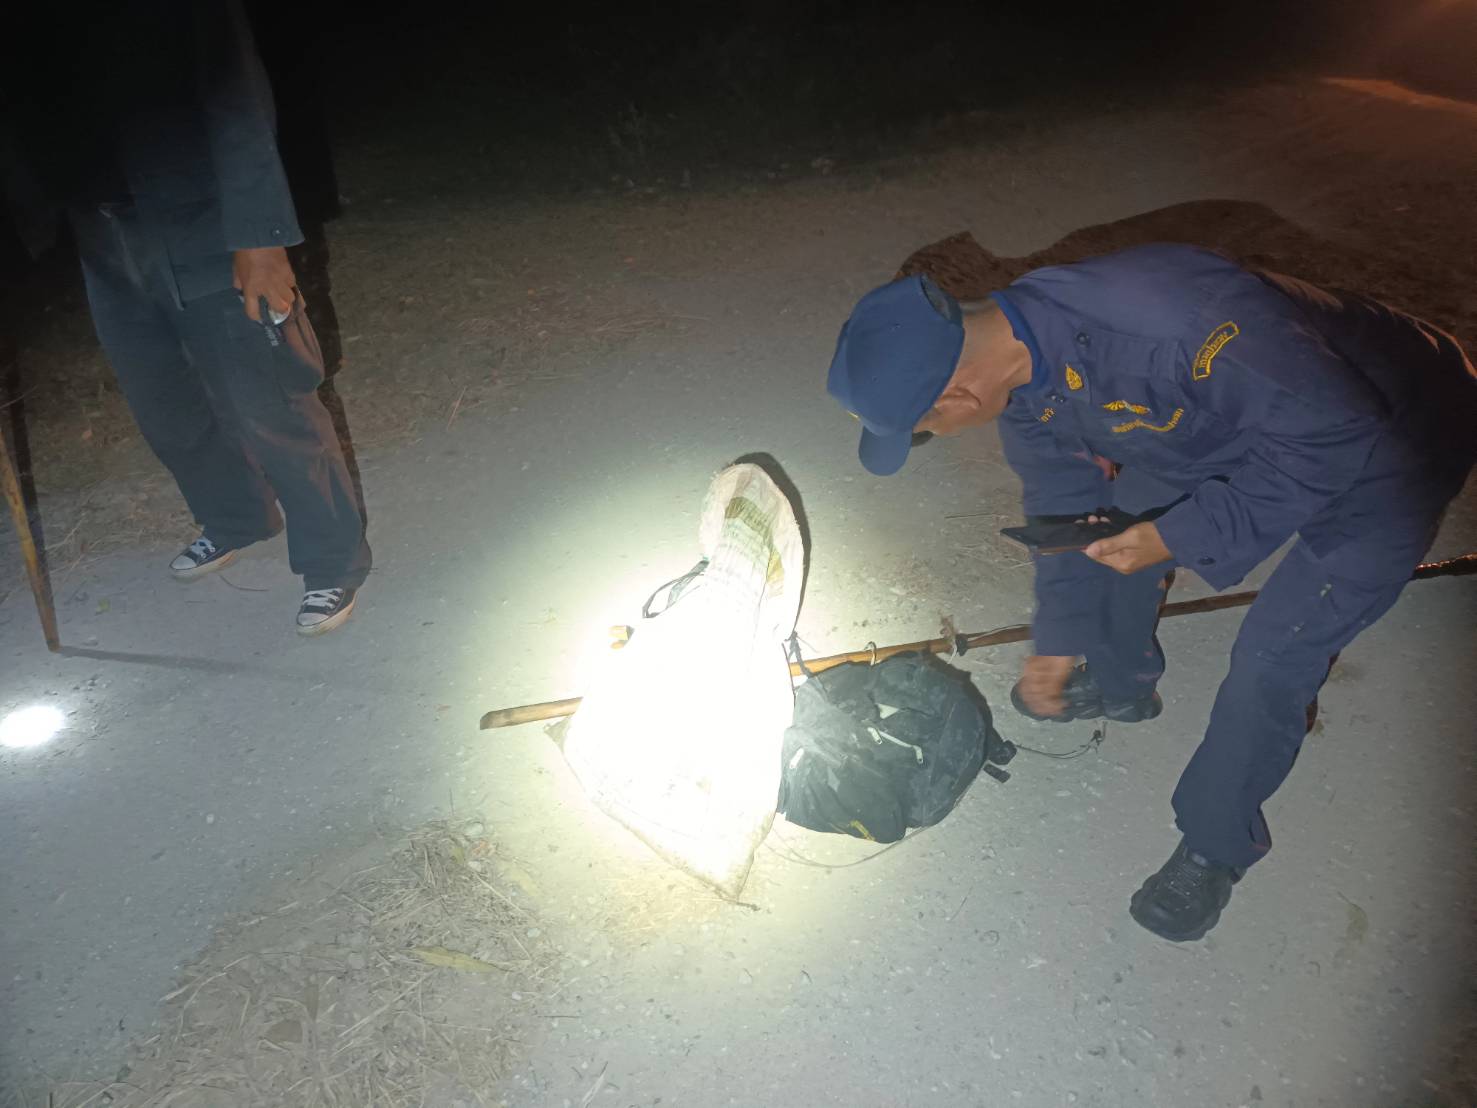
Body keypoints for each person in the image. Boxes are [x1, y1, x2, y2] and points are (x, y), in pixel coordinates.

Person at [826, 244, 1477, 941]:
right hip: (1239, 419)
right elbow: (1064, 505)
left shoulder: (1175, 325)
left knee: (1273, 655)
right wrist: (1059, 639)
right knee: (1116, 526)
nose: (937, 435)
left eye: (924, 432)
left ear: (959, 398)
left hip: (1395, 429)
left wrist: (1178, 535)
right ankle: (1121, 679)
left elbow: (1335, 434)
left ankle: (1215, 845)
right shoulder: (1022, 357)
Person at [2, 3, 369, 635]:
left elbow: (236, 93)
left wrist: (259, 239)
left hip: (207, 223)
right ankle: (237, 517)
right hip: (103, 235)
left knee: (271, 405)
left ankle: (332, 560)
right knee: (166, 409)